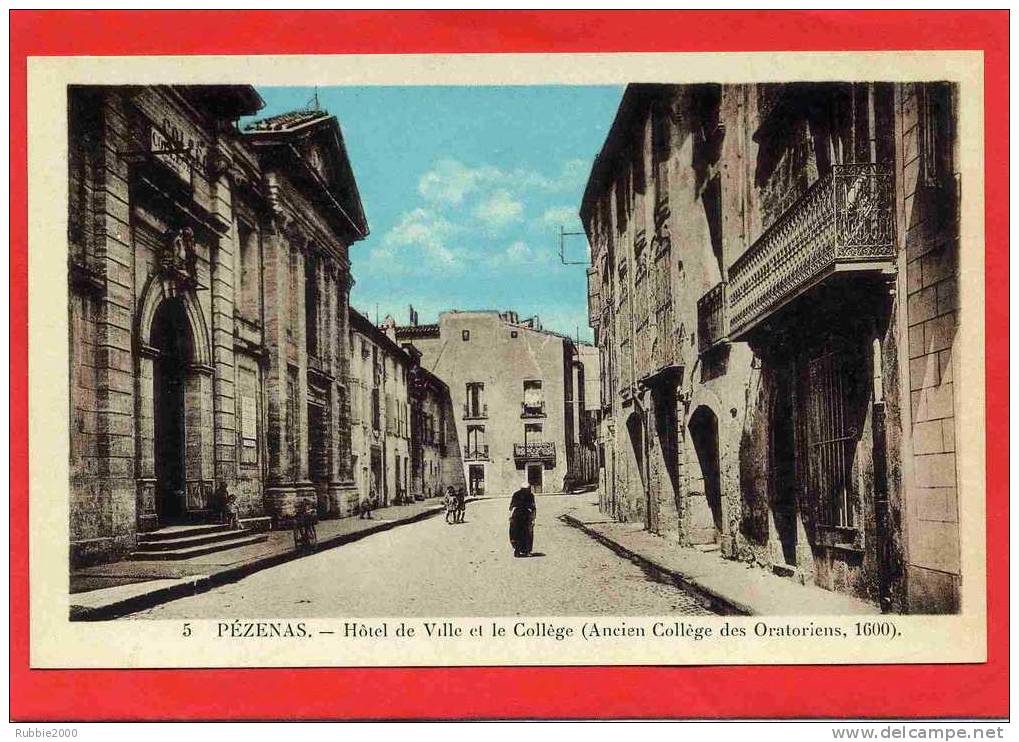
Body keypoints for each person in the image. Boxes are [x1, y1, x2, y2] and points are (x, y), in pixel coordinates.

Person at [509, 483, 536, 557]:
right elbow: (533, 508)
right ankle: (524, 551)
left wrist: (510, 517)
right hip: (524, 516)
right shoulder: (530, 495)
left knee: (517, 534)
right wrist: (533, 519)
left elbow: (511, 507)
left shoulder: (516, 494)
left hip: (519, 516)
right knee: (525, 534)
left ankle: (520, 551)